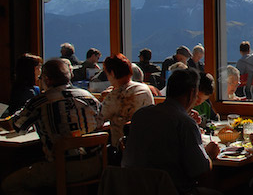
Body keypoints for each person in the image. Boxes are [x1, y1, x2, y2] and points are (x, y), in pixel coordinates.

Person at [1, 59, 103, 195]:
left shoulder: (40, 102)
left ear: (47, 80)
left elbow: (15, 125)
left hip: (62, 169)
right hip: (96, 165)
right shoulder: (88, 97)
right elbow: (101, 121)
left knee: (9, 184)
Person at [122, 68, 220, 194]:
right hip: (171, 190)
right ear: (191, 93)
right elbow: (201, 171)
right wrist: (209, 154)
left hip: (134, 188)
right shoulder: (184, 123)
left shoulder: (140, 115)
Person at [99, 53, 154, 146]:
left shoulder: (115, 96)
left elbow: (97, 121)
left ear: (112, 73)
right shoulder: (144, 89)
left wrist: (102, 98)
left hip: (123, 149)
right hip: (147, 144)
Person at [1, 53, 42, 118]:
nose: (40, 71)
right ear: (30, 70)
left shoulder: (17, 87)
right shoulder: (28, 92)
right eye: (38, 68)